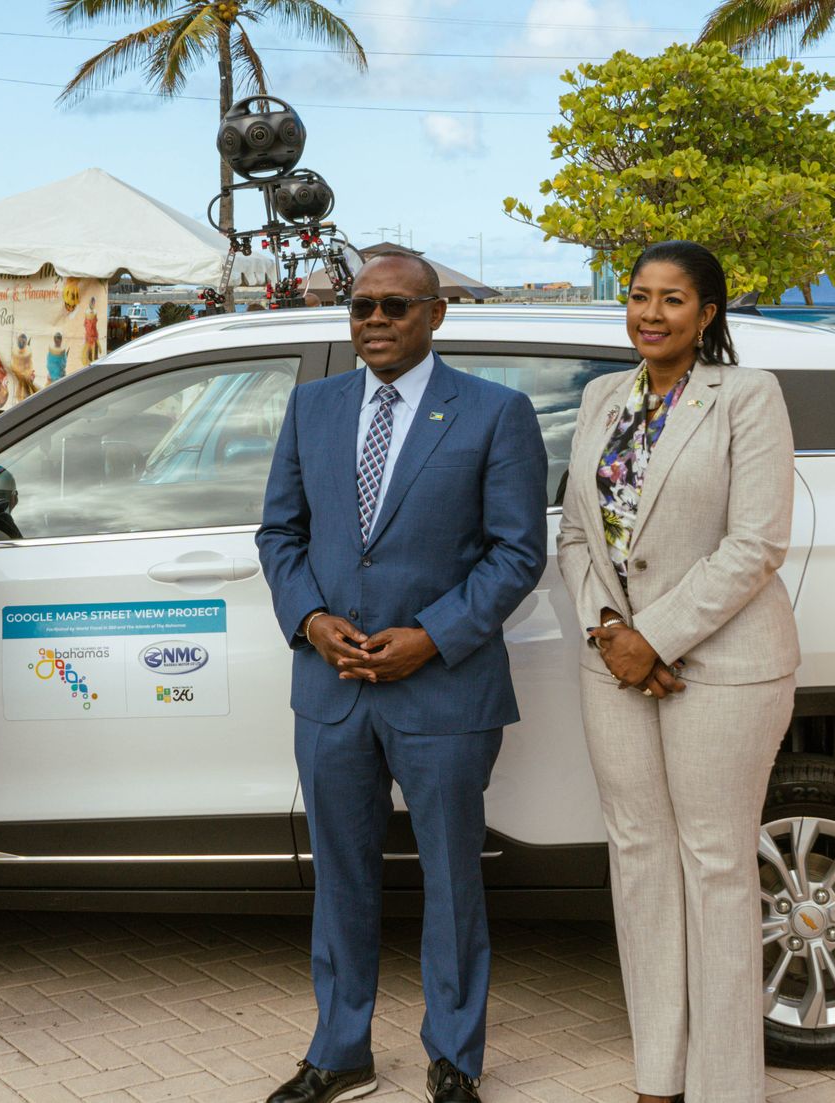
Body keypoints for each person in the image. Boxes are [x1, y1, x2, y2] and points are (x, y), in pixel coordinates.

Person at [255, 254, 548, 1103]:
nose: (373, 321)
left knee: (452, 876)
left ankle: (454, 1055)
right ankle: (339, 1048)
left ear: (435, 314)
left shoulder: (495, 411)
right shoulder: (314, 405)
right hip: (331, 685)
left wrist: (433, 635)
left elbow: (516, 549)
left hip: (443, 688)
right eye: (359, 307)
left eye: (392, 306)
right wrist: (311, 622)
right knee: (340, 875)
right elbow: (279, 532)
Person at [555, 241, 798, 1103]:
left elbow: (756, 542)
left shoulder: (747, 396)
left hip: (724, 665)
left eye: (671, 299)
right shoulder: (597, 397)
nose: (649, 313)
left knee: (717, 863)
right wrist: (610, 631)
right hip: (612, 662)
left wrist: (653, 636)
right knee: (640, 859)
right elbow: (577, 533)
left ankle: (727, 1085)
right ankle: (657, 1072)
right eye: (637, 296)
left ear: (707, 314)